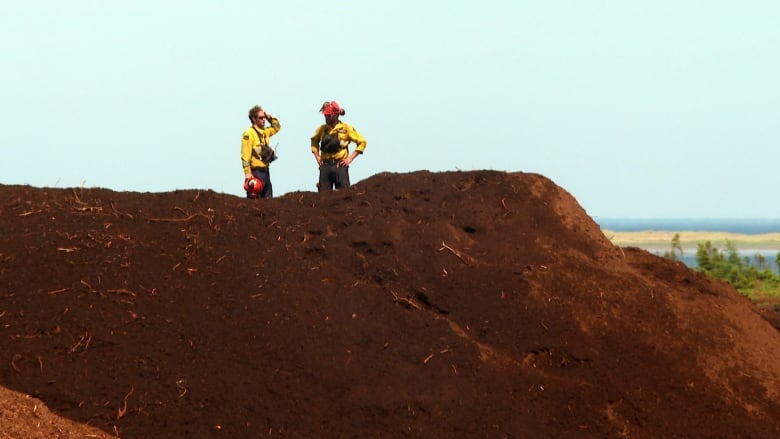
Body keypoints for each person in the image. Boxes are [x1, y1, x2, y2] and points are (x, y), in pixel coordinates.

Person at [310, 101, 367, 191]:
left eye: (329, 115)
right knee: (323, 196)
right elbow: (314, 142)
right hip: (325, 166)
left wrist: (350, 159)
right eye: (325, 115)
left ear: (336, 115)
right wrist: (317, 156)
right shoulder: (322, 129)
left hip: (340, 166)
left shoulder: (346, 128)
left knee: (344, 194)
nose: (326, 118)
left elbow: (362, 142)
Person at [241, 105, 281, 198]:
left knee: (268, 202)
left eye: (264, 118)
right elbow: (245, 156)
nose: (263, 120)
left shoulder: (265, 132)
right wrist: (247, 173)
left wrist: (269, 117)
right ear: (254, 119)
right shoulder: (248, 134)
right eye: (261, 118)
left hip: (266, 172)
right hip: (256, 173)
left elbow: (277, 127)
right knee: (254, 202)